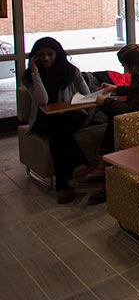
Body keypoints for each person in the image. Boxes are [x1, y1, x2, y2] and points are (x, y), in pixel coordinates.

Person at [69, 44, 139, 203]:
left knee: (115, 116)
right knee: (113, 118)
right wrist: (116, 89)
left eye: (124, 65)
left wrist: (105, 102)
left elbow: (132, 109)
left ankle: (102, 168)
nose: (124, 69)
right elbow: (137, 93)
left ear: (134, 65)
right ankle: (103, 168)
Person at [22, 37, 93, 204]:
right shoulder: (29, 77)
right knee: (57, 129)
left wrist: (73, 104)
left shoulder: (70, 71)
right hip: (44, 119)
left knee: (58, 132)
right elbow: (42, 101)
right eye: (41, 55)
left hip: (71, 115)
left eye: (50, 54)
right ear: (34, 57)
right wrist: (35, 74)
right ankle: (80, 164)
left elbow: (87, 94)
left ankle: (64, 188)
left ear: (57, 54)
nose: (46, 58)